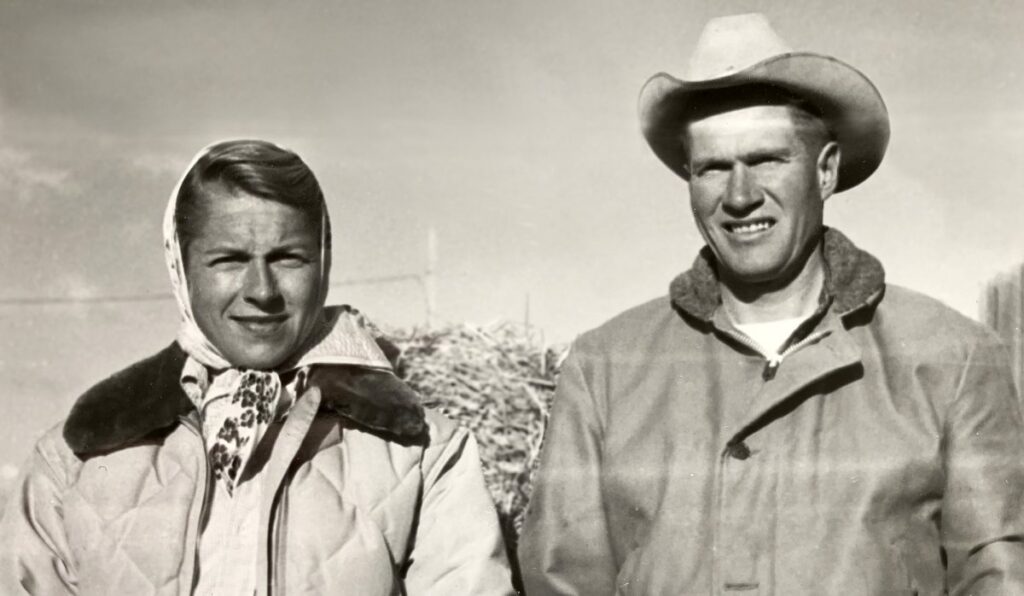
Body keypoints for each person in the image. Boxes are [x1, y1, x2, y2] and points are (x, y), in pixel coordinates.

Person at [519, 13, 1024, 595]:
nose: (739, 196)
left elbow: (998, 574)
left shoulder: (950, 358)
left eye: (765, 160)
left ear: (825, 169)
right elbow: (563, 581)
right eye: (713, 167)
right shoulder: (605, 369)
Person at [0, 139, 515, 595]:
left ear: (324, 262)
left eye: (288, 257)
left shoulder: (423, 458)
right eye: (227, 260)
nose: (262, 291)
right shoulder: (74, 461)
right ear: (181, 267)